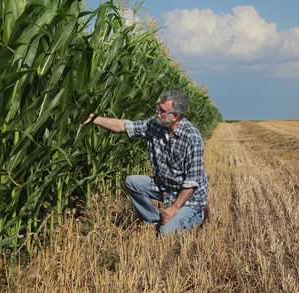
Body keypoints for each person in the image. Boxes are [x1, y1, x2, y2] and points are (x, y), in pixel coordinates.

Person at [83, 90, 209, 236]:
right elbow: (124, 126)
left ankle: (198, 215)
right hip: (165, 187)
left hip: (188, 198)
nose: (157, 112)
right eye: (158, 108)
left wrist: (174, 208)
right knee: (133, 182)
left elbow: (191, 182)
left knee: (166, 234)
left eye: (162, 111)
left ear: (175, 116)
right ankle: (157, 222)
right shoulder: (153, 125)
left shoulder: (192, 137)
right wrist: (94, 118)